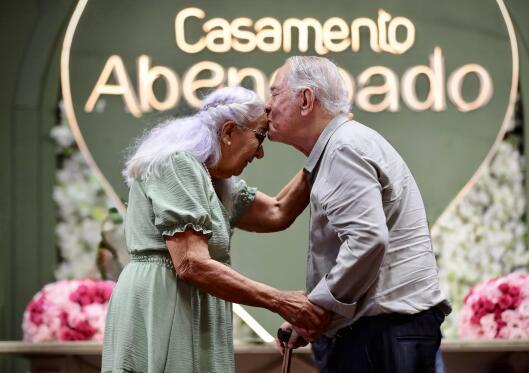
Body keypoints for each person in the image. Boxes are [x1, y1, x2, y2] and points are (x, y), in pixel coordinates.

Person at [101, 86, 329, 373]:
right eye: (259, 137)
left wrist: (324, 147)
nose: (259, 153)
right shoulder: (178, 164)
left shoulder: (215, 179)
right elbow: (190, 263)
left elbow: (278, 211)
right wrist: (279, 300)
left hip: (192, 304)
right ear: (229, 131)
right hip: (164, 303)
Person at [267, 56, 451, 373]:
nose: (266, 106)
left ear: (306, 100)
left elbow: (368, 239)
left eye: (274, 93)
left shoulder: (343, 148)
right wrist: (315, 313)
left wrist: (318, 307)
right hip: (385, 331)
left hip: (383, 335)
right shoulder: (344, 144)